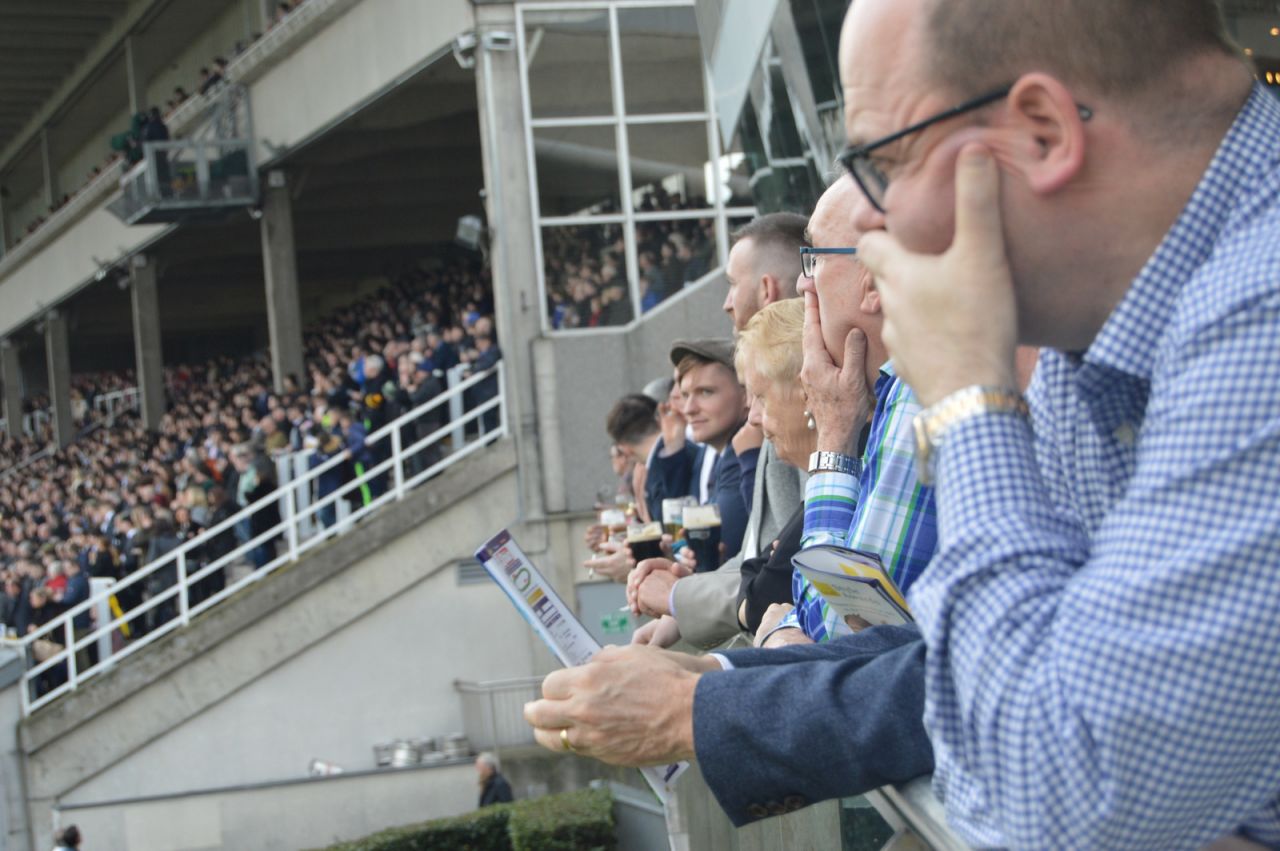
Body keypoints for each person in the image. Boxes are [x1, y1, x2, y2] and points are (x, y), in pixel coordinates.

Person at [839, 0, 1280, 846]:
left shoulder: (1260, 314)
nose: (867, 216)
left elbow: (1055, 796)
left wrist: (969, 400)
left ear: (1040, 130)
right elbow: (987, 765)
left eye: (887, 159)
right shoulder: (1095, 346)